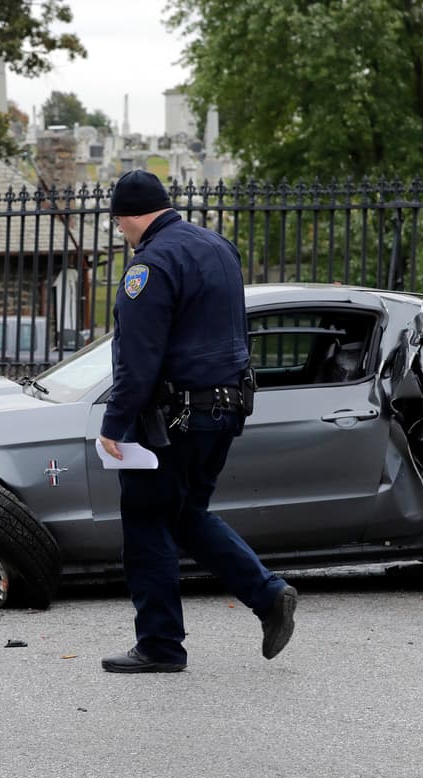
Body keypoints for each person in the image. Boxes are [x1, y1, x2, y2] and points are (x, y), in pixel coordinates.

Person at [98, 170, 297, 674]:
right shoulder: (218, 246)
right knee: (185, 516)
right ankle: (268, 596)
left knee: (146, 523)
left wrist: (115, 423)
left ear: (132, 216)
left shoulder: (151, 265)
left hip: (172, 417)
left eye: (120, 223)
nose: (122, 233)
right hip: (224, 409)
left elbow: (140, 358)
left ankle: (161, 646)